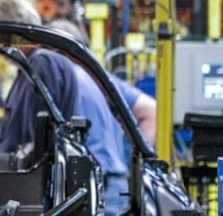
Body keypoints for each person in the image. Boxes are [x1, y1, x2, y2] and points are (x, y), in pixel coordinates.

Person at [0, 0, 133, 216]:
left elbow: (37, 144)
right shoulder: (67, 71)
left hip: (96, 186)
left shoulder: (44, 64)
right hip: (101, 182)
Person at [46, 18, 158, 146]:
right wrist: (138, 154)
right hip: (114, 160)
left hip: (80, 158)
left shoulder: (57, 80)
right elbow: (150, 110)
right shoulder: (103, 79)